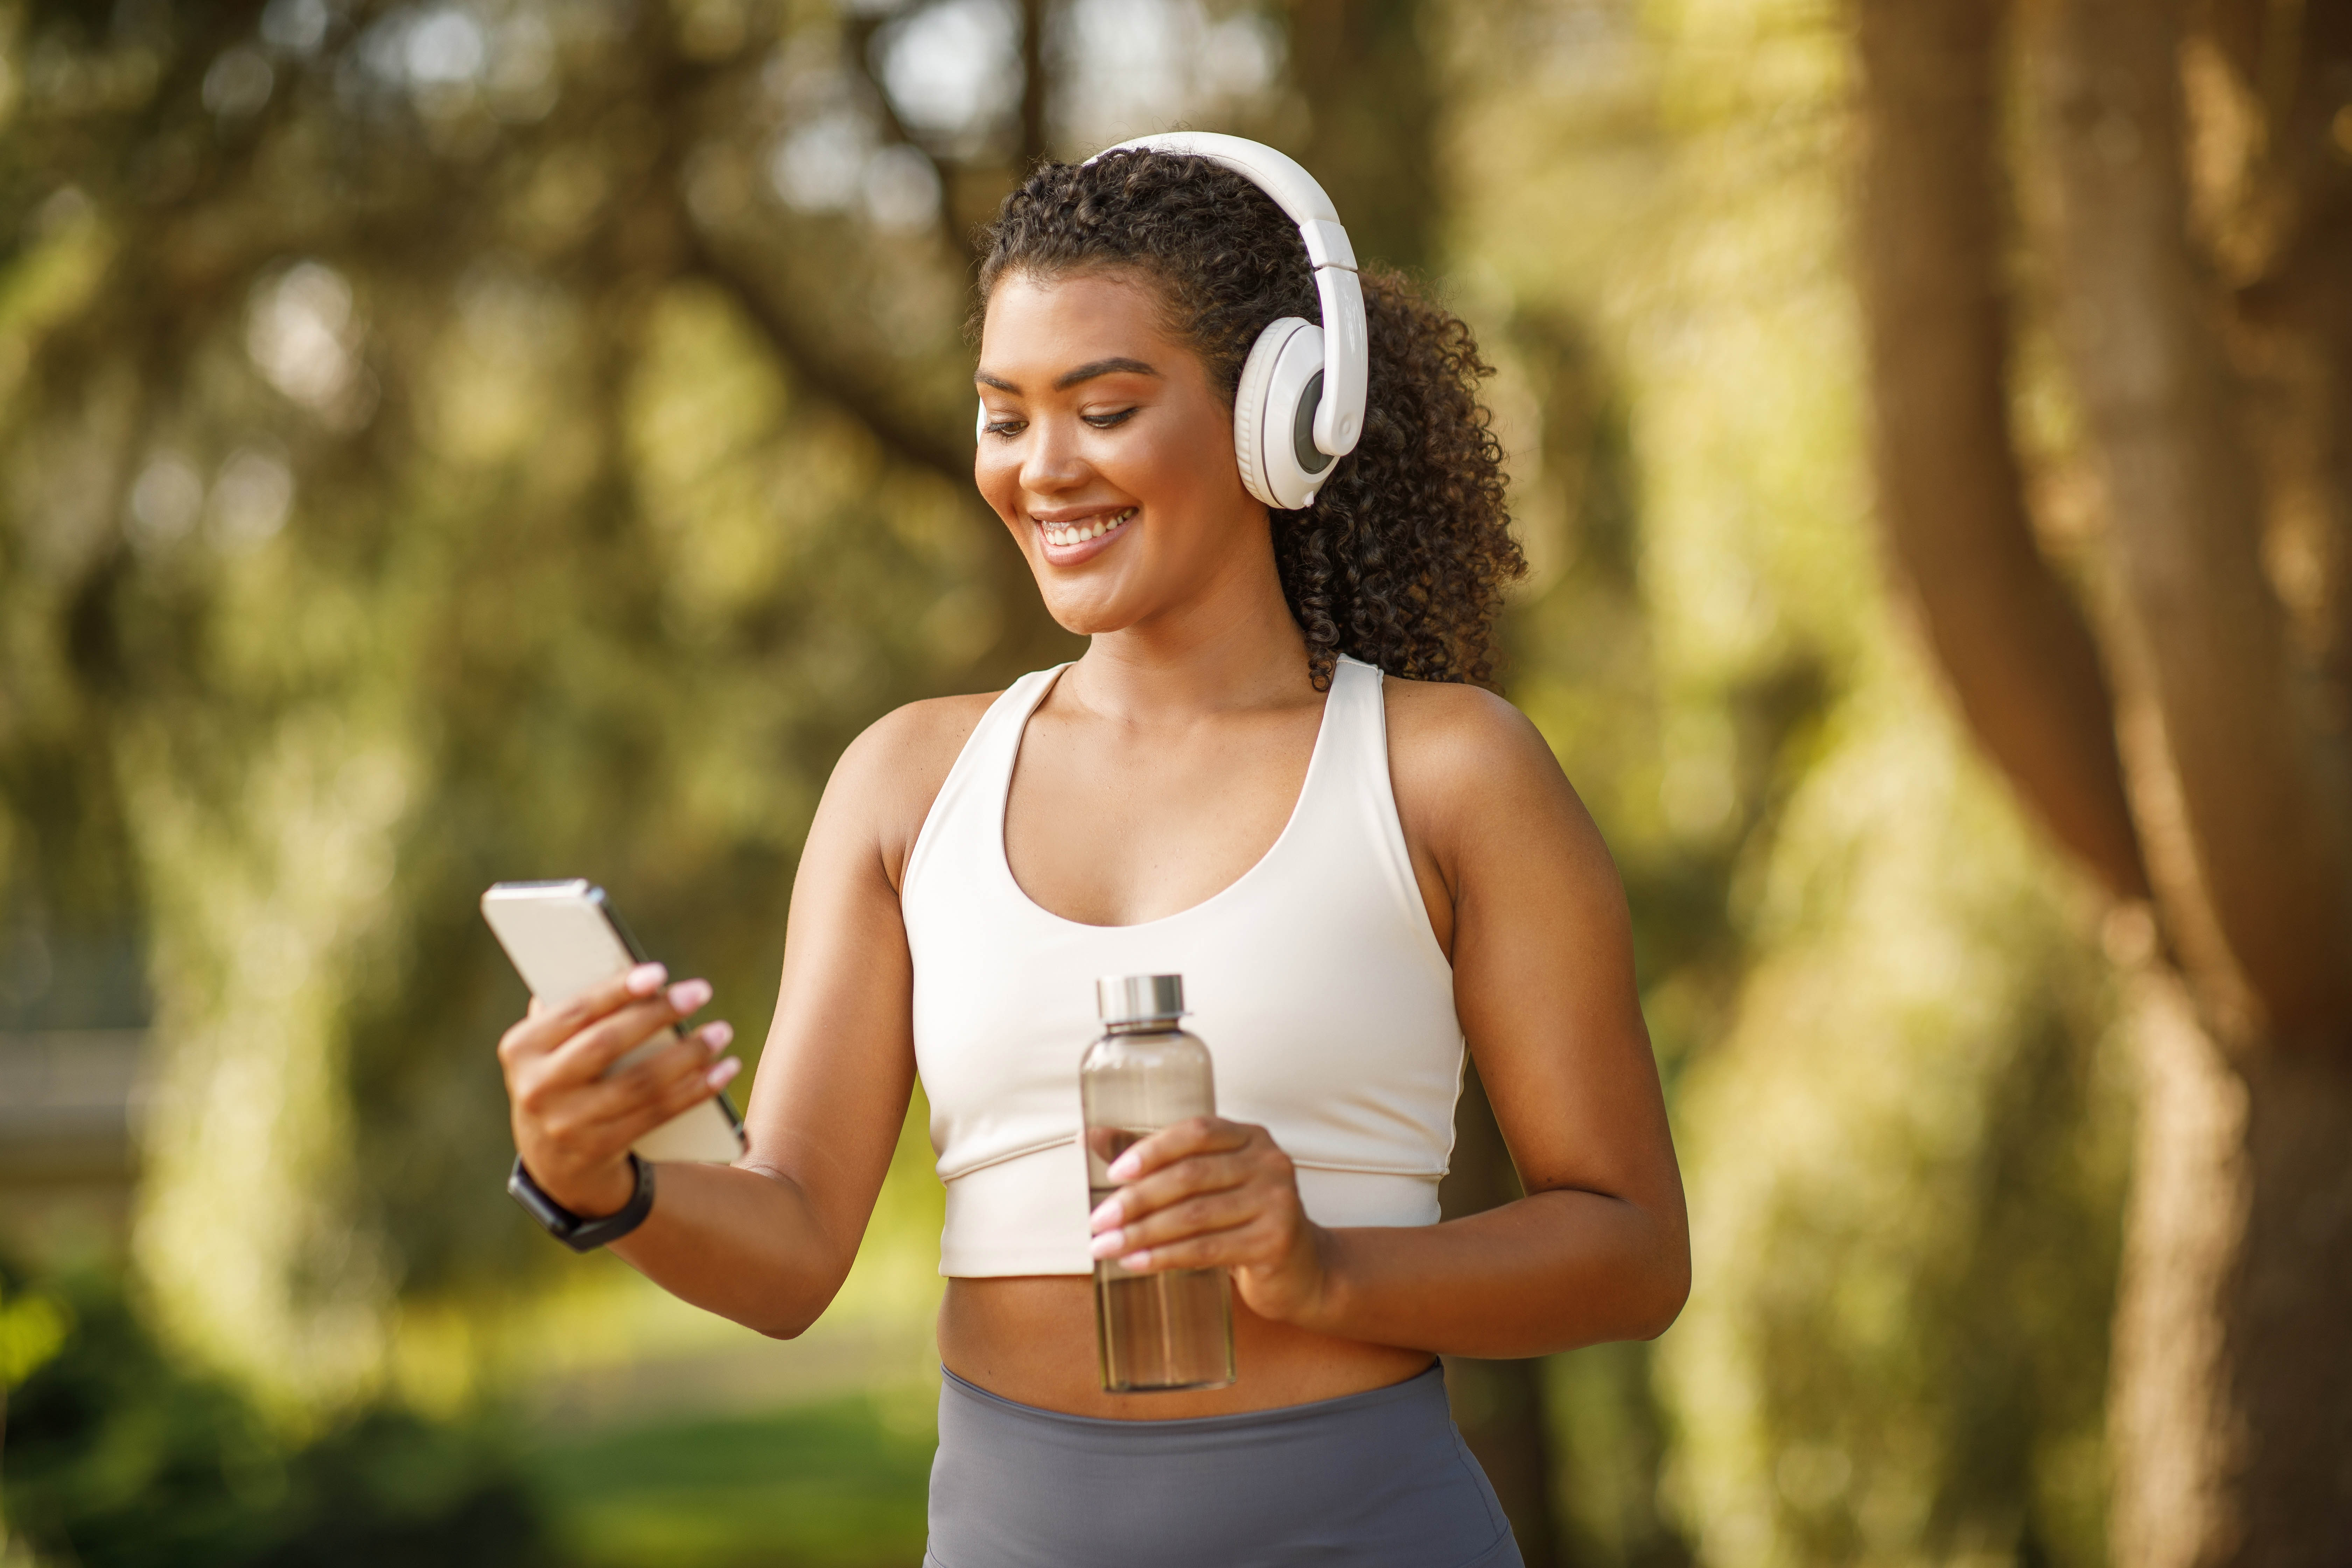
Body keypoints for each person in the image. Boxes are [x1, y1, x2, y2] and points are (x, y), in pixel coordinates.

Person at [493, 139, 1689, 1567]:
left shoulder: (1447, 771)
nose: (1042, 468)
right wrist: (593, 1181)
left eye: (1105, 408)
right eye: (1004, 416)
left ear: (1279, 417)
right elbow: (793, 1246)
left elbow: (1629, 1251)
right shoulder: (903, 785)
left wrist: (1319, 1262)